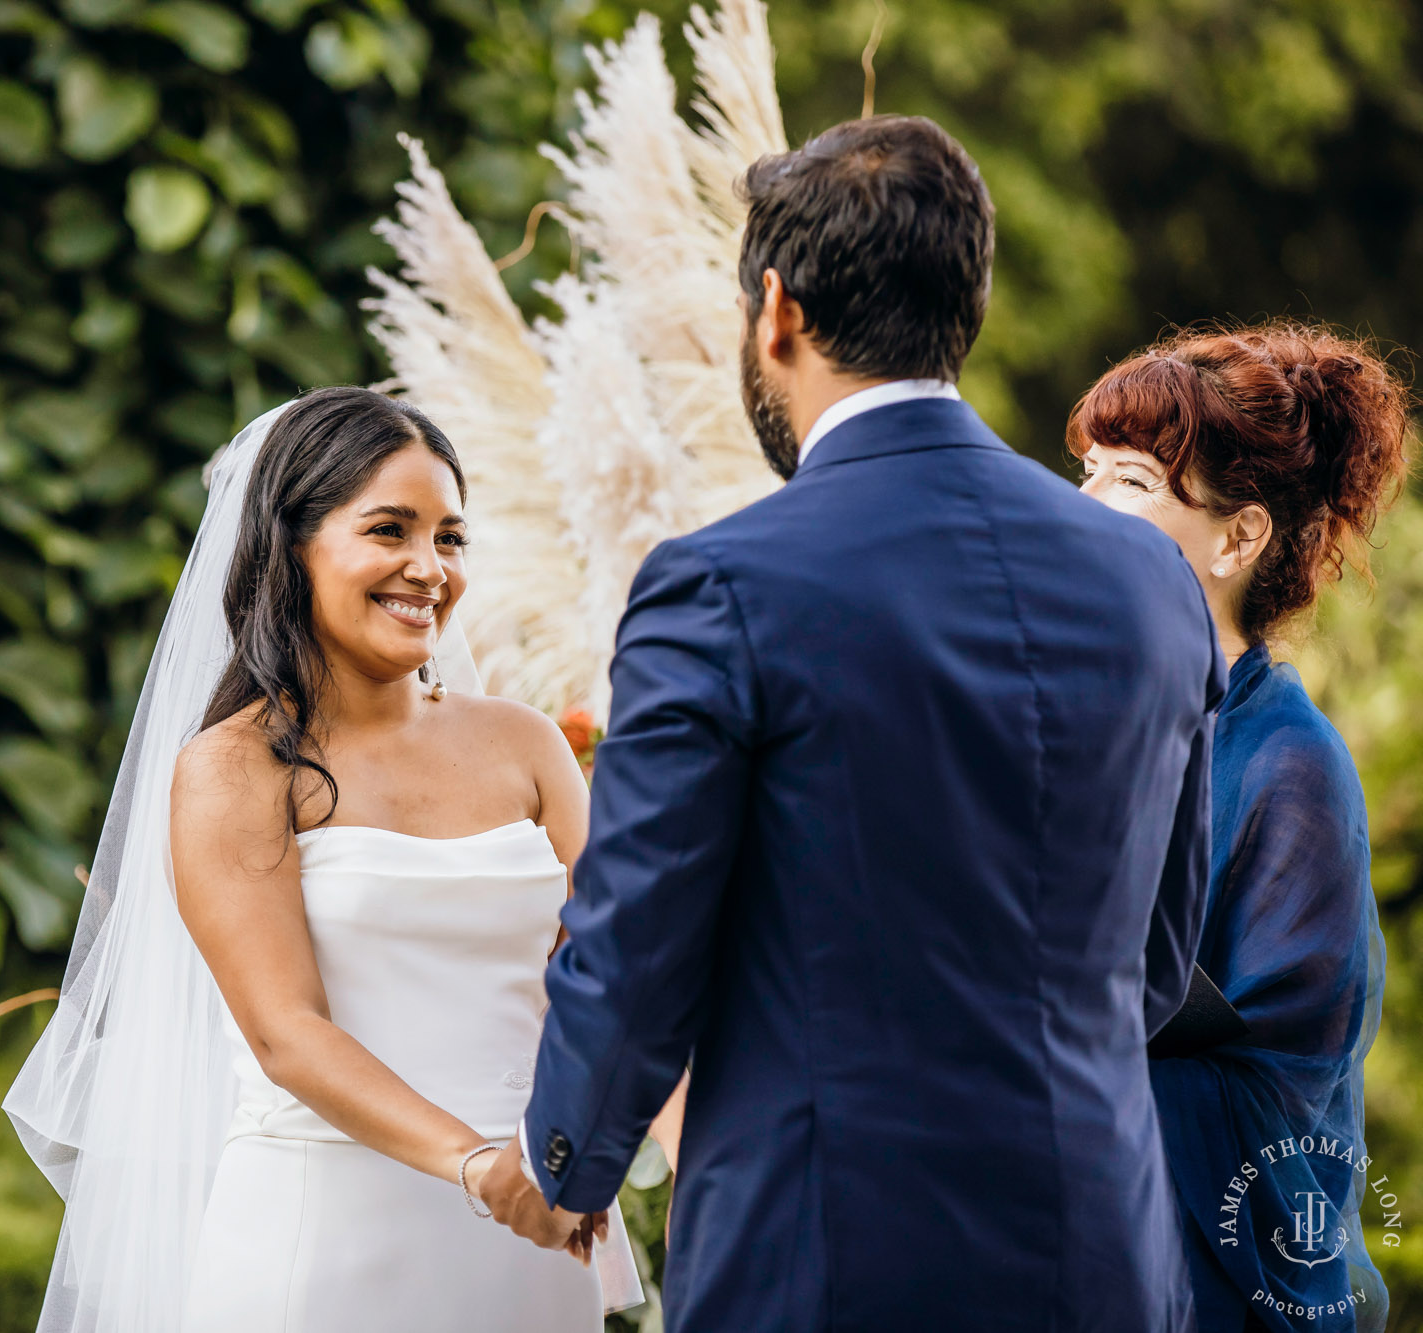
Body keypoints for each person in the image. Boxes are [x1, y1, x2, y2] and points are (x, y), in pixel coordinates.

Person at [471, 115, 1223, 1332]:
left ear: (774, 311)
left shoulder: (716, 584)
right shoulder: (1150, 584)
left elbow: (637, 946)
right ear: (962, 308)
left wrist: (560, 1159)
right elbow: (1152, 961)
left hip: (819, 1262)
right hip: (1103, 1255)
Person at [5, 386, 635, 1332]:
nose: (429, 568)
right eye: (390, 530)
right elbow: (284, 1031)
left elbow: (623, 963)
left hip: (527, 1236)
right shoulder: (235, 767)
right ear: (291, 545)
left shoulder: (527, 743)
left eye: (450, 537)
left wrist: (575, 1146)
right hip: (330, 1242)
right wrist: (478, 1164)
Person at [1074, 323, 1408, 1332]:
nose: (1079, 506)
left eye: (1126, 481)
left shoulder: (1288, 766)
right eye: (1081, 471)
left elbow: (1268, 1092)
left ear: (1236, 537)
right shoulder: (1088, 722)